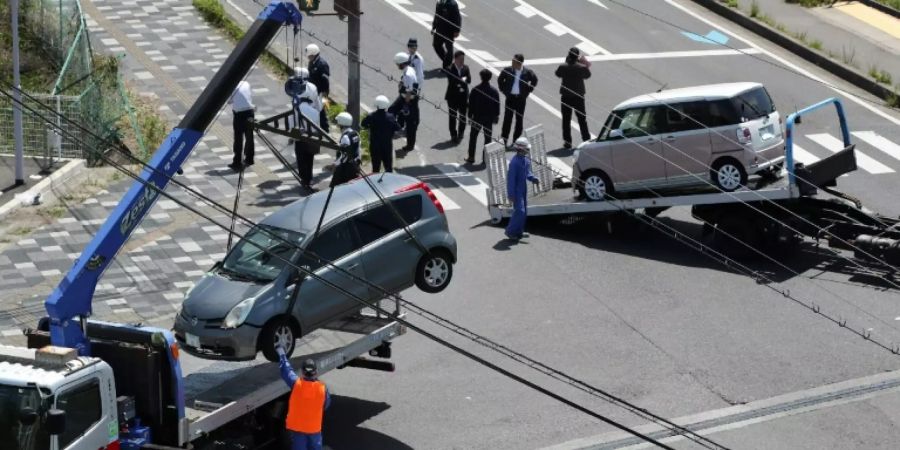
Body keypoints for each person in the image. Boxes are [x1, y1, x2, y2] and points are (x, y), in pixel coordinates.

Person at [278, 347, 331, 450]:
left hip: (298, 430)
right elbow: (326, 405)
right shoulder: (323, 389)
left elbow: (286, 370)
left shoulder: (296, 384)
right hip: (314, 430)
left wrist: (282, 353)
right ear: (315, 372)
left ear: (302, 372)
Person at [285, 67, 322, 189]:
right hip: (313, 130)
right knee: (309, 156)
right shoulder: (313, 88)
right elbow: (319, 106)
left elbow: (292, 121)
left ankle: (304, 178)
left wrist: (291, 136)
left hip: (300, 131)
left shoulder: (295, 88)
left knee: (300, 156)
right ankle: (309, 178)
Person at [498, 54, 538, 147]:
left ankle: (516, 141)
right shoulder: (507, 70)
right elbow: (500, 80)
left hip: (521, 99)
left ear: (519, 63)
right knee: (507, 119)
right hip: (510, 97)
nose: (512, 63)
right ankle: (504, 140)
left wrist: (529, 90)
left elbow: (534, 80)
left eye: (514, 61)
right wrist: (504, 90)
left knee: (519, 120)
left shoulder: (527, 72)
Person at [555, 47, 592, 148]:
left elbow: (557, 74)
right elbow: (588, 75)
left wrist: (566, 62)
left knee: (566, 120)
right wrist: (583, 63)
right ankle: (586, 139)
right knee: (582, 119)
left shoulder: (563, 66)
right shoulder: (581, 67)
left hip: (566, 96)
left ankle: (567, 142)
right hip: (578, 96)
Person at [505, 137, 539, 240]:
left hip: (523, 188)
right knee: (520, 211)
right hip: (516, 190)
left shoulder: (525, 160)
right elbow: (511, 180)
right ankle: (510, 231)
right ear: (521, 149)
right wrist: (511, 195)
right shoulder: (514, 163)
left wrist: (532, 178)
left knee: (524, 211)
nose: (528, 151)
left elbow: (527, 172)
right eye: (527, 149)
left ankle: (519, 231)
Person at [466, 69, 500, 164]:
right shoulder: (494, 91)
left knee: (473, 137)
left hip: (477, 117)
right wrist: (496, 116)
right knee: (488, 138)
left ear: (481, 77)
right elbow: (497, 105)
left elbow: (471, 104)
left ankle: (471, 157)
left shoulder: (476, 89)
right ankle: (485, 159)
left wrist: (469, 116)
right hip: (488, 118)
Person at [389, 51, 420, 152]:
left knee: (411, 124)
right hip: (403, 97)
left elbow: (409, 92)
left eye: (398, 64)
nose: (397, 66)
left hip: (409, 101)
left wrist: (406, 105)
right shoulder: (409, 69)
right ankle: (393, 128)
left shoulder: (408, 75)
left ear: (402, 63)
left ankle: (410, 146)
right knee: (392, 110)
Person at [361, 95, 401, 173]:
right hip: (387, 145)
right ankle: (389, 183)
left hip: (375, 145)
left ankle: (375, 182)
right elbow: (398, 128)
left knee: (376, 167)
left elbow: (363, 124)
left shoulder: (371, 116)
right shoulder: (391, 117)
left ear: (377, 105)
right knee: (388, 167)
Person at [444, 50, 471, 143]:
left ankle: (461, 133)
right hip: (452, 97)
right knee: (452, 116)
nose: (462, 61)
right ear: (455, 59)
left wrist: (463, 80)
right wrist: (462, 80)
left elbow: (469, 80)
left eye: (463, 59)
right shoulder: (449, 68)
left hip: (463, 97)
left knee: (463, 116)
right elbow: (452, 81)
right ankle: (453, 134)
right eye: (460, 59)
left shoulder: (466, 68)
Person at [228, 80, 255, 171]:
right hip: (250, 112)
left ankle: (237, 162)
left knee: (238, 138)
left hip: (239, 115)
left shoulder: (231, 86)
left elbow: (229, 101)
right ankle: (249, 158)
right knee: (249, 136)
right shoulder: (246, 83)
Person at [330, 112, 361, 187]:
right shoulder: (355, 133)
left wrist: (335, 164)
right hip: (354, 165)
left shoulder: (345, 137)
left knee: (335, 187)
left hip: (345, 167)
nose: (337, 124)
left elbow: (344, 154)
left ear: (341, 123)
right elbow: (358, 149)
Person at [306, 43, 331, 132]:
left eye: (310, 56)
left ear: (313, 54)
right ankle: (317, 126)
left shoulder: (322, 64)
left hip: (321, 92)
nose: (308, 58)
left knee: (322, 110)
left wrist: (324, 94)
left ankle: (325, 130)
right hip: (314, 91)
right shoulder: (312, 62)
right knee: (315, 108)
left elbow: (325, 80)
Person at [431, 0, 462, 69]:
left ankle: (446, 66)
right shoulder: (439, 3)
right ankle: (447, 61)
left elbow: (457, 17)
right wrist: (434, 27)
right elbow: (436, 15)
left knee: (449, 49)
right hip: (439, 29)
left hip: (449, 31)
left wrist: (457, 30)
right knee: (436, 45)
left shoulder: (452, 4)